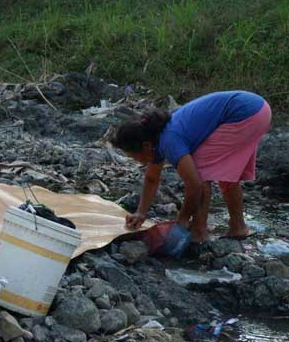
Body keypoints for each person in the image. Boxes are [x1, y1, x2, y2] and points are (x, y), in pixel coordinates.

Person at [111, 90, 271, 243]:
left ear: (145, 146)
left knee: (201, 172)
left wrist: (181, 220)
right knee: (226, 176)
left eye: (133, 156)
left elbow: (195, 185)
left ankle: (199, 232)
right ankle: (238, 228)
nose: (136, 161)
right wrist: (141, 213)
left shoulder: (169, 140)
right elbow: (152, 179)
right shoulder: (155, 139)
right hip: (258, 109)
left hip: (243, 113)